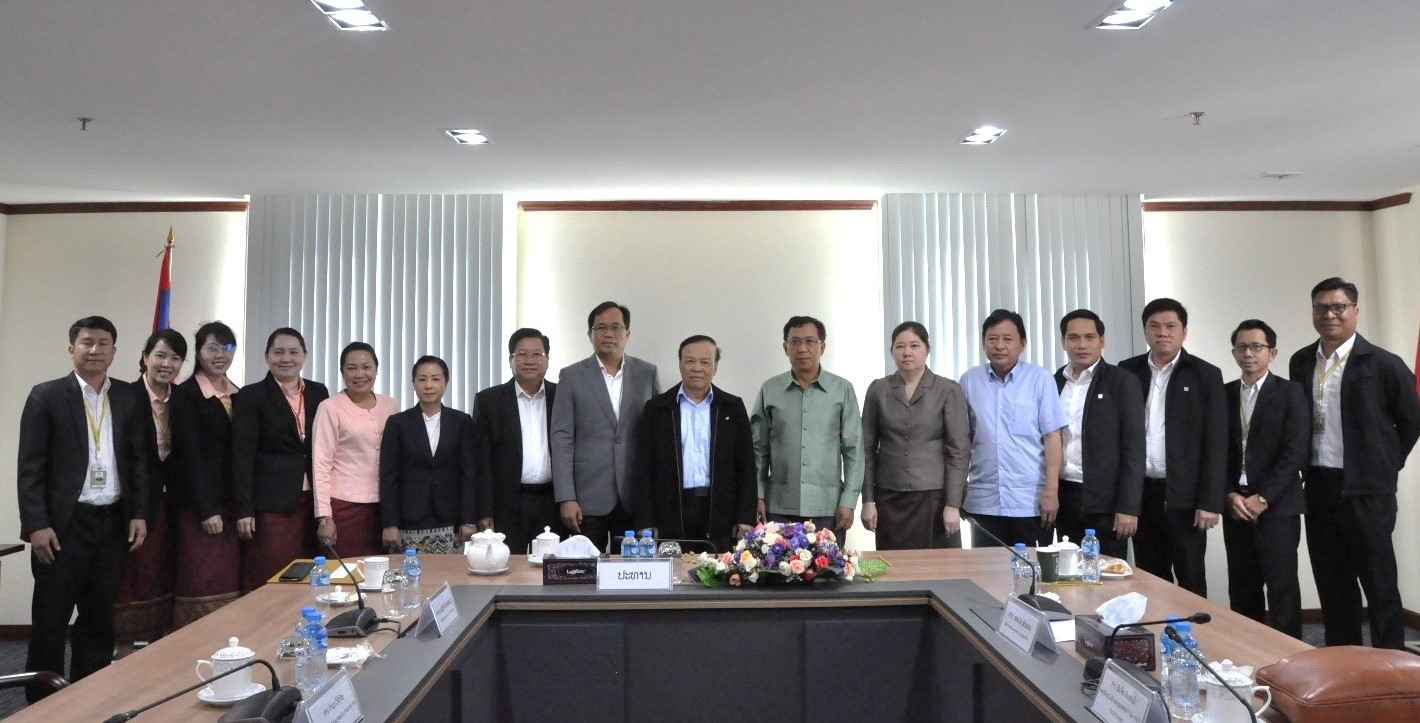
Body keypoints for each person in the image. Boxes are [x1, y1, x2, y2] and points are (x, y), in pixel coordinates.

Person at [17, 316, 148, 702]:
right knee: (50, 619)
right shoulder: (46, 396)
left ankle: (89, 700)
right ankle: (42, 706)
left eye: (103, 343)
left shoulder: (128, 396)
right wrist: (36, 524)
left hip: (112, 522)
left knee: (98, 617)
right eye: (87, 342)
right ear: (71, 348)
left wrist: (139, 513)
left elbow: (138, 461)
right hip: (63, 526)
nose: (95, 350)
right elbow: (30, 467)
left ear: (114, 351)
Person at [1288, 277, 1420, 649]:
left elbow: (1411, 420)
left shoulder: (1383, 363)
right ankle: (1343, 662)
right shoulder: (1301, 361)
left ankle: (1391, 664)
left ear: (1355, 311)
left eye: (1338, 307)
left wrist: (1386, 463)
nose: (1329, 315)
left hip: (1367, 490)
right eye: (1321, 308)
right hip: (1319, 486)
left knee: (1379, 582)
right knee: (1332, 582)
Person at [1119, 298, 1226, 596]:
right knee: (1150, 578)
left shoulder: (1205, 374)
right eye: (1154, 326)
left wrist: (1210, 501)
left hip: (1186, 497)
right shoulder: (1127, 371)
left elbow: (1216, 441)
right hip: (1142, 493)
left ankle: (1194, 629)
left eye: (1170, 326)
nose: (1162, 333)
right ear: (1145, 330)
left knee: (1191, 577)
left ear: (1184, 331)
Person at [551, 302, 661, 551]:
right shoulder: (571, 376)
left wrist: (654, 502)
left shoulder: (647, 373)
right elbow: (562, 437)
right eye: (600, 328)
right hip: (587, 498)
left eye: (615, 327)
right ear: (590, 335)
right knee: (586, 569)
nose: (608, 334)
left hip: (635, 495)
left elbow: (658, 436)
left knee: (634, 570)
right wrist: (566, 496)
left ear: (627, 334)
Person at [1223, 319, 1308, 639]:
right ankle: (1248, 653)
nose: (1248, 353)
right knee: (1242, 587)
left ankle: (1290, 656)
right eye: (1241, 347)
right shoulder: (1224, 394)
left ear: (1272, 353)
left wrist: (1264, 497)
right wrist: (1229, 495)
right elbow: (1215, 452)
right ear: (1234, 353)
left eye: (1256, 347)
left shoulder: (1290, 393)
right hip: (1237, 506)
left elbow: (1295, 451)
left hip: (1277, 507)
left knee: (1282, 587)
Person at [635, 335, 756, 553]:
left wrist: (745, 516)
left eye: (705, 362)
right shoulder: (657, 408)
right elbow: (644, 468)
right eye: (690, 361)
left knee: (717, 570)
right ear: (680, 365)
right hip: (671, 508)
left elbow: (746, 465)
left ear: (715, 367)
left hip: (720, 508)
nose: (697, 368)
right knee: (674, 569)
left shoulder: (732, 407)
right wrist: (646, 519)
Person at [750, 315, 863, 545]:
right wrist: (758, 495)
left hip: (828, 507)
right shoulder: (770, 389)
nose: (802, 348)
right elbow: (758, 449)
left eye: (810, 341)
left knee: (828, 567)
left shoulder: (842, 389)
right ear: (785, 348)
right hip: (779, 506)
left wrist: (849, 501)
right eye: (795, 342)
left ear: (823, 347)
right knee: (776, 566)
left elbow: (853, 450)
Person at [959, 309, 1067, 548]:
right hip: (984, 500)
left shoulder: (1040, 379)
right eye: (992, 339)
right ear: (983, 343)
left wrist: (1051, 491)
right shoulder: (970, 380)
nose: (999, 346)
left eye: (1007, 339)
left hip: (1029, 502)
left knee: (1032, 568)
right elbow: (965, 438)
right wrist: (960, 486)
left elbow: (1052, 436)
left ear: (1023, 344)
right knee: (986, 569)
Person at [232, 327, 330, 591]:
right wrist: (244, 508)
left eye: (293, 352)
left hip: (312, 501)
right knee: (273, 571)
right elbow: (242, 455)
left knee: (310, 571)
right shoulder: (251, 396)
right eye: (278, 352)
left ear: (304, 356)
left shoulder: (319, 392)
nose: (286, 358)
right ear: (267, 356)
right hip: (271, 502)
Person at [859, 322, 970, 549]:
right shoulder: (878, 389)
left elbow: (958, 452)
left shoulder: (948, 389)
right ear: (892, 351)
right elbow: (866, 450)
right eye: (900, 346)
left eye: (914, 345)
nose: (907, 352)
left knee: (939, 565)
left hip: (934, 498)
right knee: (893, 566)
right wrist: (868, 500)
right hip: (889, 496)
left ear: (927, 349)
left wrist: (953, 504)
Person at [112, 328, 186, 651]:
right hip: (135, 501)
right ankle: (124, 647)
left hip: (175, 501)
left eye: (175, 358)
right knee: (133, 573)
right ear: (145, 358)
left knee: (167, 569)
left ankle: (160, 645)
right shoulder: (125, 397)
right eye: (160, 355)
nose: (166, 364)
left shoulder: (184, 398)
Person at [1052, 310, 1145, 558]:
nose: (1081, 345)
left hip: (1107, 503)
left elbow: (1134, 448)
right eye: (1073, 337)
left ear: (1102, 341)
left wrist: (1128, 507)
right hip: (1064, 497)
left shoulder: (1122, 381)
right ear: (1063, 341)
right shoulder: (1054, 382)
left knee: (1107, 573)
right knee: (1068, 571)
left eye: (1089, 337)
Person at [169, 321, 241, 625]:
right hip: (201, 507)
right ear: (198, 352)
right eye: (212, 347)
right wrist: (207, 509)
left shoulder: (238, 393)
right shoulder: (186, 395)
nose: (220, 354)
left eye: (227, 348)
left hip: (232, 504)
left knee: (228, 577)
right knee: (201, 577)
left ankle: (228, 637)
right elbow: (190, 456)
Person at [473, 328, 561, 556]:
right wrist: (484, 510)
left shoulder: (562, 396)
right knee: (507, 566)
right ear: (510, 359)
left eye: (537, 354)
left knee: (551, 567)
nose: (529, 360)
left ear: (547, 360)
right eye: (522, 354)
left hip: (552, 501)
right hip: (507, 502)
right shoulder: (489, 401)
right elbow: (482, 461)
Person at [379, 356, 479, 554]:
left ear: (446, 383)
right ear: (413, 383)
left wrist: (469, 519)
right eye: (422, 379)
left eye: (435, 379)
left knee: (449, 572)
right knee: (410, 572)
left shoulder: (461, 421)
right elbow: (388, 476)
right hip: (409, 518)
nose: (428, 385)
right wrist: (389, 523)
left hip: (450, 518)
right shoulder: (397, 423)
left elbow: (469, 473)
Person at [313, 341, 401, 557]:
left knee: (385, 571)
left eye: (366, 367)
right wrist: (325, 516)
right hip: (344, 507)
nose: (360, 374)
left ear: (376, 369)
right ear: (342, 372)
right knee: (348, 571)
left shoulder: (390, 405)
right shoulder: (330, 407)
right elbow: (321, 463)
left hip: (385, 508)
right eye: (352, 368)